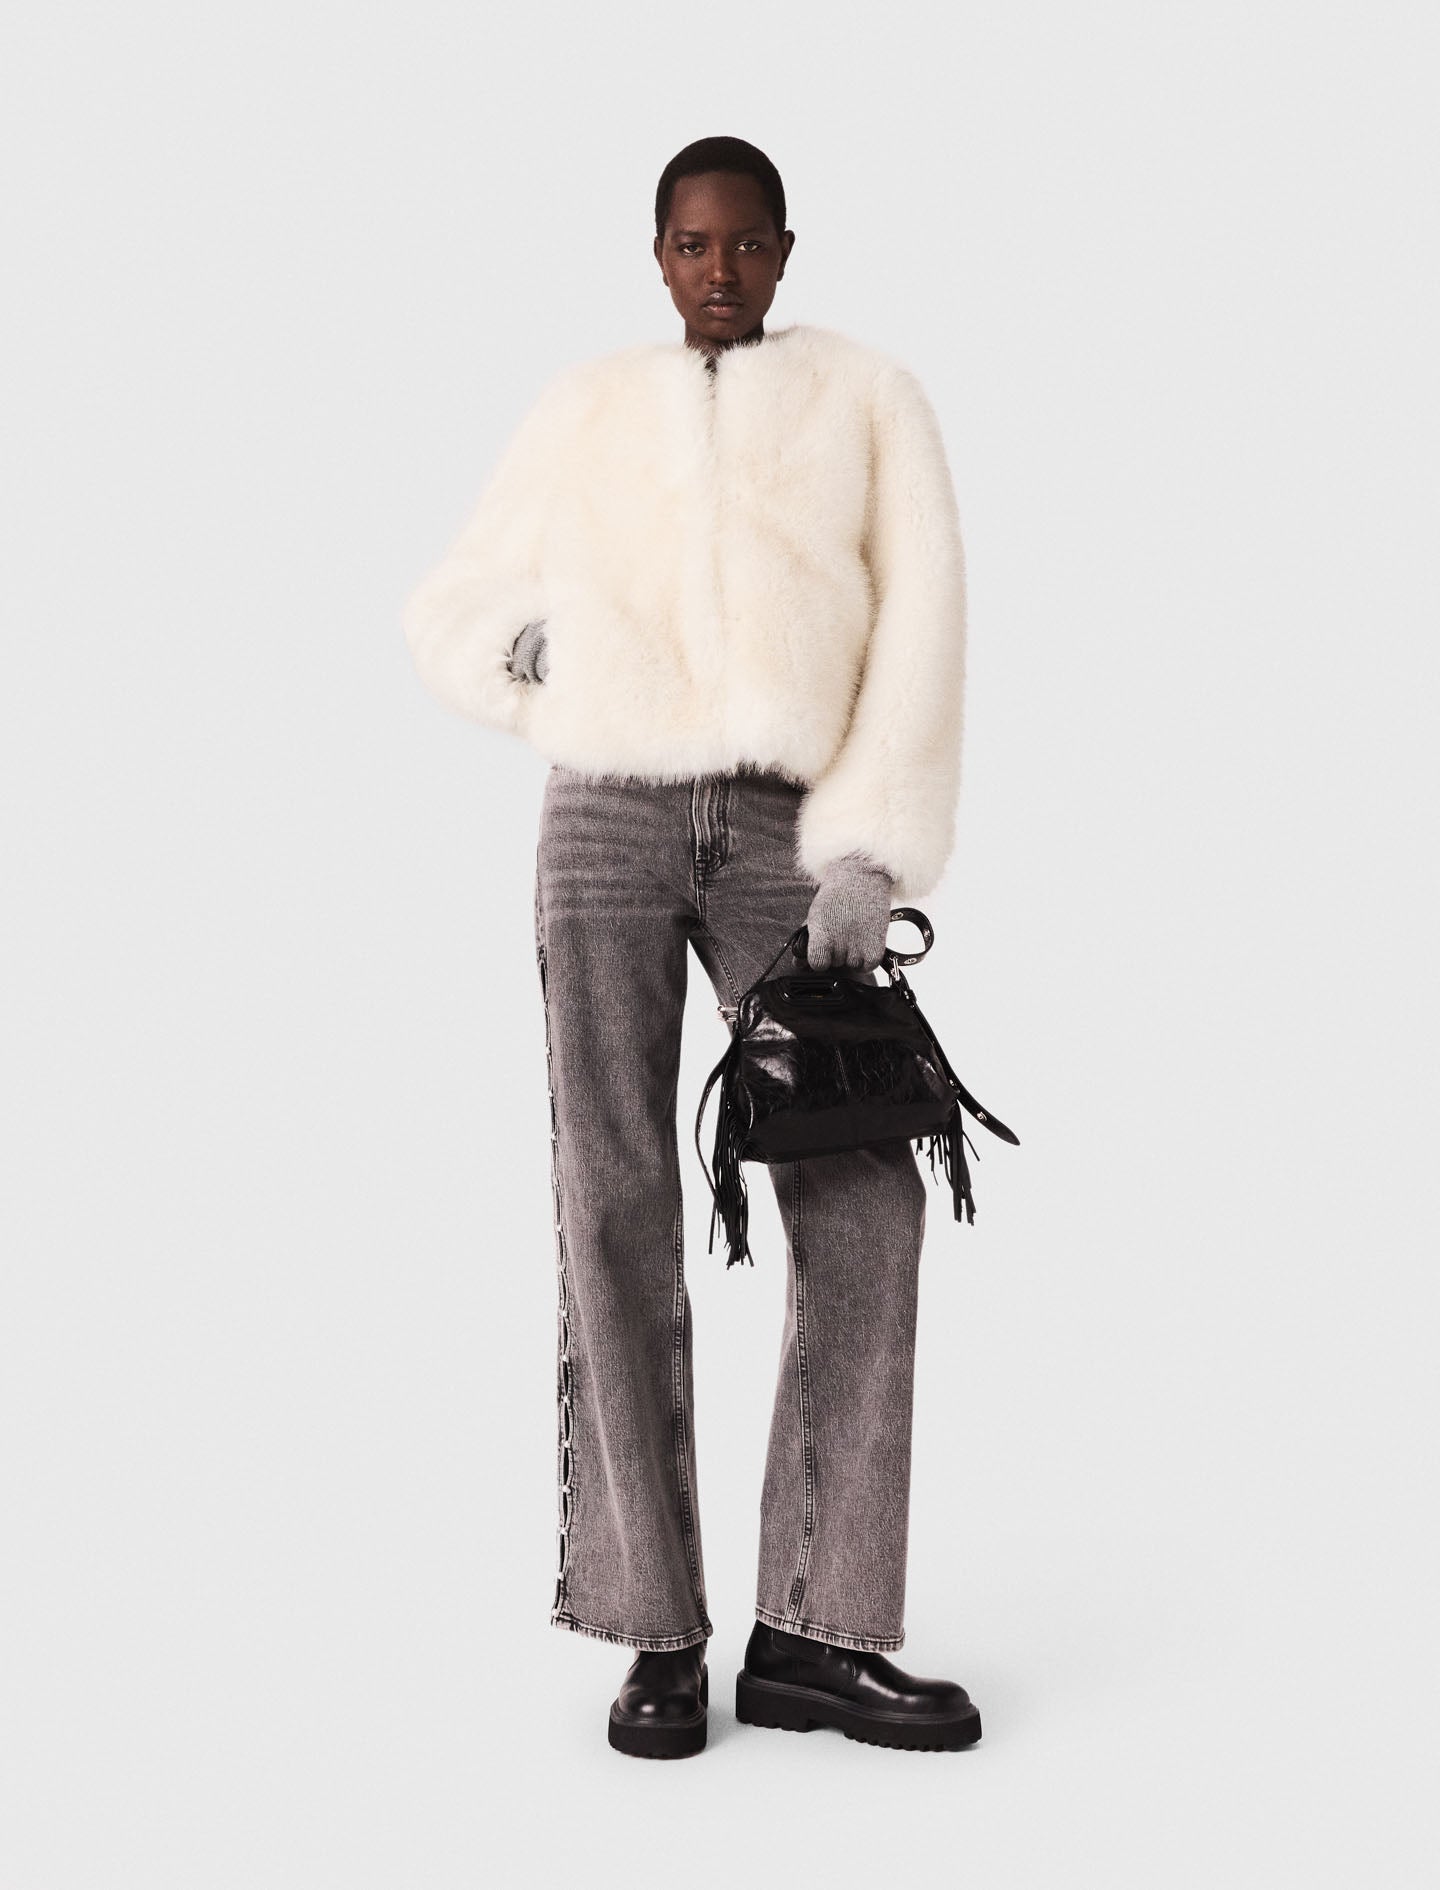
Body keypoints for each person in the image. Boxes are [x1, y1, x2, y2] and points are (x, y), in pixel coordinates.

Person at [402, 136, 980, 1759]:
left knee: (863, 1192)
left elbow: (924, 626)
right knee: (610, 1190)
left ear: (786, 250)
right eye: (689, 244)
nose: (718, 272)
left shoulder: (870, 400)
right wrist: (543, 655)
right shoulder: (585, 405)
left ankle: (817, 1625)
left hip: (790, 829)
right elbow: (454, 601)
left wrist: (869, 845)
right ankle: (652, 1625)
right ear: (656, 255)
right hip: (603, 817)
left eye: (745, 244)